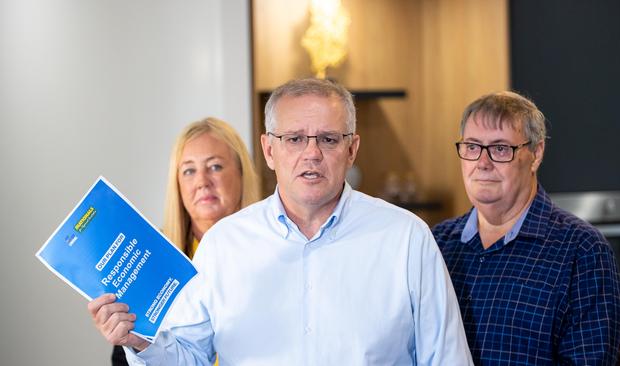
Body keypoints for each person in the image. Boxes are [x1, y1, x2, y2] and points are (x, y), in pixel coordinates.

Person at [89, 78, 473, 365]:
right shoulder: (223, 245)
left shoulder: (406, 238)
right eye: (294, 139)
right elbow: (191, 357)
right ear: (269, 150)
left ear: (352, 149)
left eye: (328, 139)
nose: (311, 154)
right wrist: (140, 342)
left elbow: (447, 357)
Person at [432, 91, 620, 365]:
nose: (483, 163)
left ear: (536, 154)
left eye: (501, 148)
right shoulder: (436, 244)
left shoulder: (583, 252)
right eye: (473, 147)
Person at [109, 117, 261, 365]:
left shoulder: (272, 247)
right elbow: (124, 357)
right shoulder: (147, 258)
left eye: (215, 167)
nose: (202, 182)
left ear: (241, 173)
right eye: (189, 170)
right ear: (177, 183)